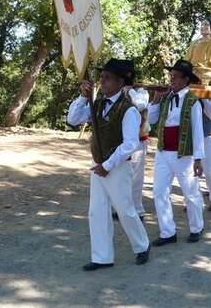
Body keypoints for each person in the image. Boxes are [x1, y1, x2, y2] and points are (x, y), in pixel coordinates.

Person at [67, 59, 150, 270]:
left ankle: (142, 246)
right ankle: (102, 256)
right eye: (101, 77)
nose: (102, 82)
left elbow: (130, 144)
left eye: (107, 78)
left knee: (125, 209)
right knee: (97, 210)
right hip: (98, 165)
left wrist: (109, 164)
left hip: (117, 167)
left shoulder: (128, 110)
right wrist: (82, 98)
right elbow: (73, 119)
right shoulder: (98, 104)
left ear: (120, 81)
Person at [148, 59, 205, 246]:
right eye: (170, 76)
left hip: (184, 155)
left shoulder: (192, 101)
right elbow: (152, 120)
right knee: (159, 192)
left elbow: (197, 130)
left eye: (175, 76)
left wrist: (198, 158)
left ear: (185, 79)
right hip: (163, 152)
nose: (171, 79)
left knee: (190, 192)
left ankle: (197, 228)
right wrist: (155, 101)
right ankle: (167, 232)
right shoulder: (165, 98)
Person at [112, 87, 150, 221]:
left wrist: (130, 91)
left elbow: (140, 105)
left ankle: (138, 210)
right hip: (121, 139)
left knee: (136, 177)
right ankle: (120, 208)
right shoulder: (117, 92)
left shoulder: (142, 92)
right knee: (121, 175)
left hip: (139, 141)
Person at [185, 17, 211, 85]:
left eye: (206, 24)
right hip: (192, 71)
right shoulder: (193, 43)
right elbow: (187, 61)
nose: (203, 27)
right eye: (202, 25)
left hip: (206, 72)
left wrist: (200, 67)